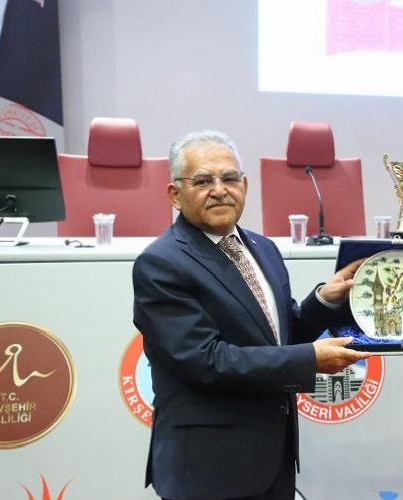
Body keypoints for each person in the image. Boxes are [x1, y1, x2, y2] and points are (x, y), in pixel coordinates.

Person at [132, 129, 370, 500]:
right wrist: (309, 359)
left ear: (244, 185)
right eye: (203, 181)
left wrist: (325, 299)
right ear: (174, 194)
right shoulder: (161, 263)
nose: (219, 190)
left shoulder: (263, 248)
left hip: (272, 460)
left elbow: (278, 335)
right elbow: (205, 361)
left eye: (229, 179)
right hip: (207, 471)